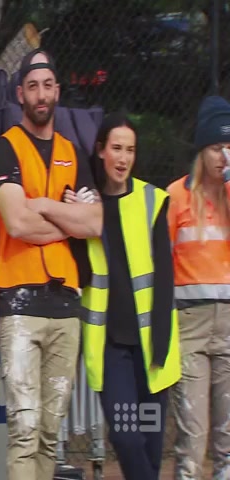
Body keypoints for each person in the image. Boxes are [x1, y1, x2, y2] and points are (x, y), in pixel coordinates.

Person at [0, 48, 103, 480]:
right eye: (32, 86)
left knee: (51, 434)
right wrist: (69, 219)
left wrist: (46, 206)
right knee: (25, 429)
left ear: (57, 91)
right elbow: (17, 222)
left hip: (66, 303)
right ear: (20, 94)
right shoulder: (7, 148)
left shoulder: (74, 152)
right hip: (19, 302)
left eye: (47, 85)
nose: (41, 94)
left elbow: (95, 222)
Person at [76, 111, 181, 480]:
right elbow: (81, 270)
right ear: (101, 150)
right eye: (117, 148)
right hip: (112, 349)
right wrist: (75, 215)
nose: (123, 158)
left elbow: (164, 277)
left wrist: (161, 344)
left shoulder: (152, 200)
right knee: (125, 435)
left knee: (150, 443)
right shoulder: (87, 208)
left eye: (130, 150)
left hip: (150, 349)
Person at [168, 95, 230, 480]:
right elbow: (161, 263)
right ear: (201, 150)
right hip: (189, 323)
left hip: (229, 322)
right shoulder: (176, 196)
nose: (224, 156)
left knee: (228, 435)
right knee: (193, 436)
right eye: (216, 147)